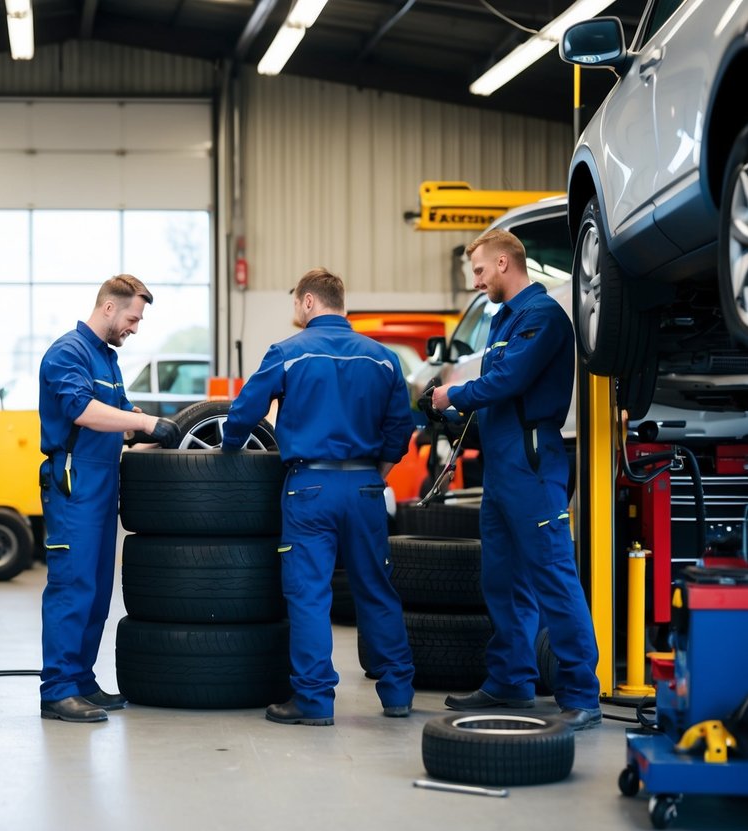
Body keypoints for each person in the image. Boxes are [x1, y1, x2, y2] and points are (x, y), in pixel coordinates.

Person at [221, 268, 415, 726]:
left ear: (309, 301)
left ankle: (313, 701)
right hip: (365, 487)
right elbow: (402, 429)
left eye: (295, 303)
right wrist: (377, 473)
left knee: (309, 594)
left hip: (309, 487)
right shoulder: (384, 358)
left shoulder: (287, 353)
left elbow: (245, 412)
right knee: (376, 590)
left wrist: (227, 451)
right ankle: (397, 694)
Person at [431, 228, 602, 730]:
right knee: (502, 579)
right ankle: (511, 681)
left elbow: (510, 380)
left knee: (552, 575)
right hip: (503, 469)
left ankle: (580, 695)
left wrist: (453, 395)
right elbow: (498, 385)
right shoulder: (503, 319)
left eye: (481, 271)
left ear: (505, 263)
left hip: (532, 463)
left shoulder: (543, 316)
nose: (478, 282)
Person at [37, 274, 180, 723]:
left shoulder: (108, 360)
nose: (135, 328)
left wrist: (142, 425)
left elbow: (115, 419)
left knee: (98, 589)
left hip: (103, 483)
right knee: (71, 585)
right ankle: (57, 689)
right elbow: (81, 410)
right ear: (108, 309)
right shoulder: (68, 353)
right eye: (133, 318)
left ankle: (80, 680)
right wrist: (142, 424)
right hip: (74, 481)